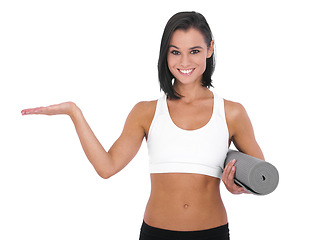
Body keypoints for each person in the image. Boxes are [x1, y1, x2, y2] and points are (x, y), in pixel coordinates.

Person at [21, 11, 264, 240]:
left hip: (212, 232)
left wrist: (237, 185)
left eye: (195, 51)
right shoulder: (146, 112)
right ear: (165, 54)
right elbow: (107, 167)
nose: (185, 61)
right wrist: (74, 113)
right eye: (175, 52)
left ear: (210, 49)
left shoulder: (232, 112)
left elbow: (262, 177)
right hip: (156, 233)